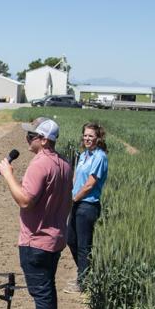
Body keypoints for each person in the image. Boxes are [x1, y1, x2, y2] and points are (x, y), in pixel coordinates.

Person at [0, 117, 73, 309]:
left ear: (43, 140)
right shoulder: (64, 164)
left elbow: (25, 200)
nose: (28, 139)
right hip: (55, 237)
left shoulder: (40, 165)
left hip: (36, 239)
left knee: (41, 291)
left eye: (32, 136)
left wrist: (8, 175)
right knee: (46, 288)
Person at [66, 122, 109, 294]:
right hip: (76, 202)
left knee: (84, 245)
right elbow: (76, 178)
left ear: (98, 138)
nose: (87, 138)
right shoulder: (84, 155)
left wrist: (74, 199)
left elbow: (90, 184)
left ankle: (83, 282)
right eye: (85, 135)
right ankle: (85, 275)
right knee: (71, 240)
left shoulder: (100, 157)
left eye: (91, 136)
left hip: (88, 205)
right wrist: (68, 193)